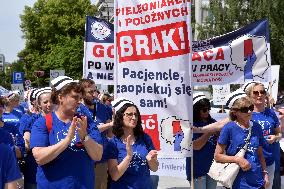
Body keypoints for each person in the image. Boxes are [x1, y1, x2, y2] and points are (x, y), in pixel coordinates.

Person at [30, 76, 103, 189]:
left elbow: (98, 155)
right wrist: (67, 140)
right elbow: (39, 157)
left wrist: (85, 137)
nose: (79, 101)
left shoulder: (86, 122)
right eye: (75, 97)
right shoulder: (43, 123)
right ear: (60, 97)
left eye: (80, 98)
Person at [215, 90, 269, 189]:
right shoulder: (229, 128)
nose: (249, 111)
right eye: (244, 109)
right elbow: (218, 156)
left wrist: (265, 174)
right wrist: (237, 159)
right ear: (235, 112)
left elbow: (260, 154)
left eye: (251, 108)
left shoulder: (256, 127)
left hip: (258, 181)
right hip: (237, 183)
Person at [106, 97, 159, 189]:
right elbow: (114, 176)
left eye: (136, 115)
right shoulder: (113, 143)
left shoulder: (145, 138)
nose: (134, 118)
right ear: (120, 116)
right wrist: (128, 157)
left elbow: (154, 168)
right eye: (129, 114)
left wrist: (151, 161)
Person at [244, 82, 282, 189]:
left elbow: (279, 133)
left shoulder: (271, 113)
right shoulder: (246, 114)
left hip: (270, 160)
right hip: (252, 162)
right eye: (256, 92)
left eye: (262, 92)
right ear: (250, 96)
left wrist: (275, 137)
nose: (260, 95)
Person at [19, 87, 52, 189]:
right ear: (38, 104)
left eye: (51, 101)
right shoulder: (32, 120)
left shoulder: (61, 119)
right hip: (35, 170)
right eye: (45, 102)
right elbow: (26, 143)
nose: (49, 105)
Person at [186, 92, 217, 189]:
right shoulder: (191, 125)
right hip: (197, 169)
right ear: (196, 110)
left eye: (208, 109)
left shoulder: (213, 122)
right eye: (204, 110)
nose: (207, 111)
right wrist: (208, 132)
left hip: (212, 169)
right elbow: (196, 146)